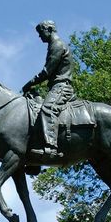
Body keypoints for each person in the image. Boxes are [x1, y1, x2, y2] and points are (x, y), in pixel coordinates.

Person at [22, 20, 75, 159]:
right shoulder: (54, 45)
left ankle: (51, 147)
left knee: (47, 110)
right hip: (56, 87)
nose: (40, 37)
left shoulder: (57, 45)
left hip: (62, 87)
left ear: (49, 29)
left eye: (41, 33)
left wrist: (30, 83)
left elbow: (47, 71)